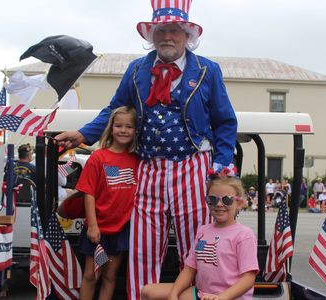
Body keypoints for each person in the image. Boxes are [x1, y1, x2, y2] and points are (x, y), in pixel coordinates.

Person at [54, 2, 238, 298]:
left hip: (192, 164)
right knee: (143, 245)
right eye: (161, 30)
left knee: (197, 243)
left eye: (174, 30)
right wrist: (84, 133)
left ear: (186, 35)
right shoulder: (137, 69)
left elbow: (225, 121)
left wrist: (221, 165)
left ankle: (202, 296)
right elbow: (116, 108)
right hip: (149, 166)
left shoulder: (207, 70)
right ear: (152, 35)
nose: (167, 36)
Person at [141, 177, 258, 300]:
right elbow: (190, 269)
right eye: (212, 199)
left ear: (239, 203)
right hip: (202, 293)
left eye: (227, 200)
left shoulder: (244, 235)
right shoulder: (203, 232)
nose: (219, 204)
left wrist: (222, 297)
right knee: (148, 292)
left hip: (230, 297)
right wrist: (173, 293)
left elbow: (248, 278)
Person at [76, 106, 139, 300]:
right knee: (92, 274)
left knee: (111, 275)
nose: (123, 130)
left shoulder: (138, 159)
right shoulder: (99, 157)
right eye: (118, 125)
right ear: (111, 128)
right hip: (99, 232)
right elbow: (89, 193)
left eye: (128, 126)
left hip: (121, 231)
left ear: (135, 130)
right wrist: (93, 226)